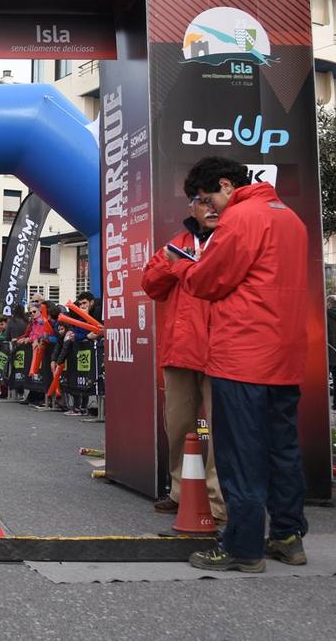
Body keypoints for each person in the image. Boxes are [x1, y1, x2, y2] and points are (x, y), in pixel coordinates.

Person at [174, 157, 309, 573]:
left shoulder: (241, 219)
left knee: (239, 455)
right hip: (285, 355)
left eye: (205, 196)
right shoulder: (291, 219)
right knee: (282, 450)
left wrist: (185, 268)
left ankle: (243, 547)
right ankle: (287, 536)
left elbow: (207, 280)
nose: (207, 206)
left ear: (227, 185)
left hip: (242, 356)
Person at [141, 184, 227, 523]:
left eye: (213, 200)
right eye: (201, 202)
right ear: (191, 207)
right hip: (180, 350)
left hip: (221, 349)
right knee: (179, 427)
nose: (210, 208)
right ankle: (180, 491)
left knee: (222, 430)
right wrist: (171, 264)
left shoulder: (233, 238)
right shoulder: (175, 243)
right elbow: (150, 285)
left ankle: (217, 499)